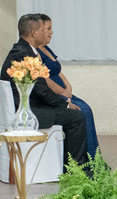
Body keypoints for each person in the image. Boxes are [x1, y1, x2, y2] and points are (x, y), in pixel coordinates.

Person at [0, 15, 88, 168]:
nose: (50, 32)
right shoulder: (23, 54)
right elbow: (40, 90)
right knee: (77, 117)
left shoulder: (26, 49)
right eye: (43, 29)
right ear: (34, 32)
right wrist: (64, 104)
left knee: (76, 112)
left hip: (32, 104)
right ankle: (77, 168)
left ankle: (70, 165)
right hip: (28, 111)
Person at [34, 13, 99, 158]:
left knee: (86, 109)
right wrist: (62, 92)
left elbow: (58, 71)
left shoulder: (47, 49)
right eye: (48, 28)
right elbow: (44, 78)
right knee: (82, 111)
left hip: (63, 90)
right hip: (54, 93)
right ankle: (80, 159)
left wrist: (68, 86)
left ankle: (92, 157)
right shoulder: (35, 52)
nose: (51, 32)